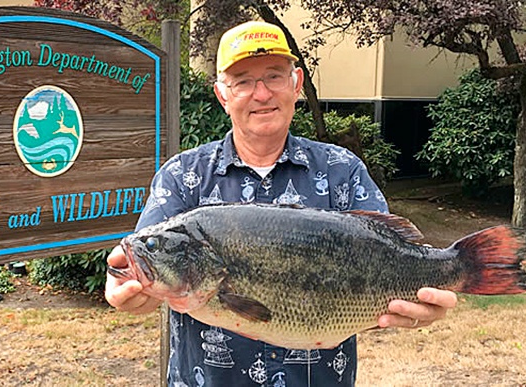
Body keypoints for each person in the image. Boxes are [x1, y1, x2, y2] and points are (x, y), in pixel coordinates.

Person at [106, 20, 457, 386]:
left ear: (296, 84)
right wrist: (134, 293)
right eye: (242, 81)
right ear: (222, 95)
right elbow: (144, 276)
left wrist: (423, 297)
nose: (261, 94)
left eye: (274, 76)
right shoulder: (181, 175)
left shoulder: (343, 169)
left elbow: (388, 257)